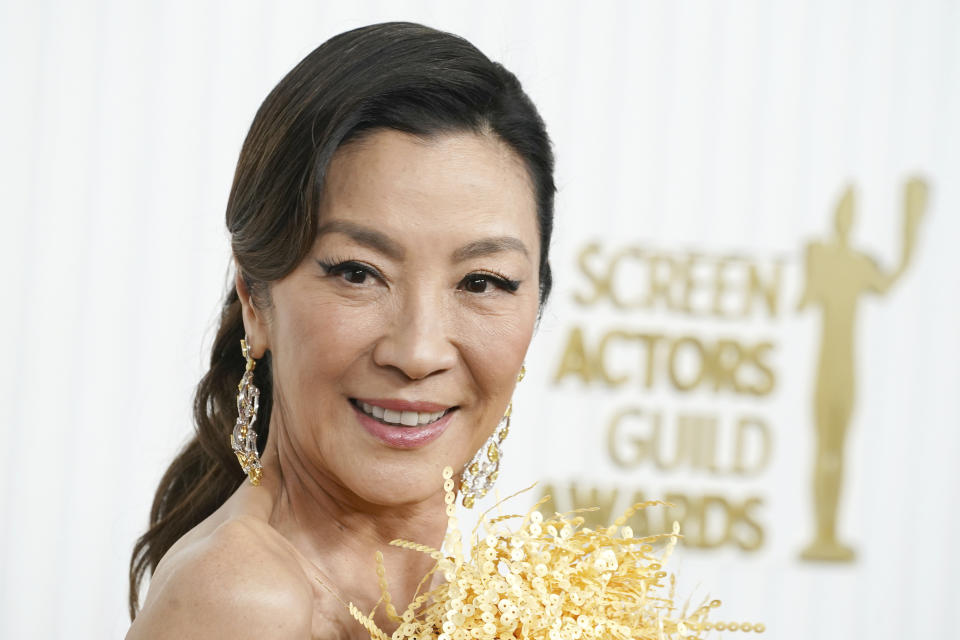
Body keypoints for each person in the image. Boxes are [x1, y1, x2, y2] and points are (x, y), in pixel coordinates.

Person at [126, 22, 555, 639]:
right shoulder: (244, 598)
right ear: (255, 297)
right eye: (359, 273)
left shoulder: (497, 596)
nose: (419, 351)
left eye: (482, 282)